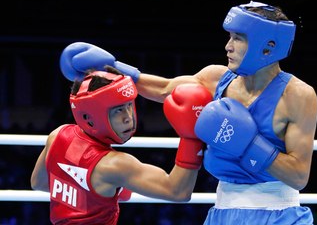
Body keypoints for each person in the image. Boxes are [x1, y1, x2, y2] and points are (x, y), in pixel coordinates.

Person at [59, 0, 317, 224]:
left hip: (279, 215)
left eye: (238, 38)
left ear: (267, 45)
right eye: (230, 37)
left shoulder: (297, 96)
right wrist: (112, 66)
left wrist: (248, 143)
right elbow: (164, 89)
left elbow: (298, 176)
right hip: (224, 212)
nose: (228, 46)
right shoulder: (217, 79)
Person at [31, 65, 213, 224]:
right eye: (118, 110)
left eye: (129, 105)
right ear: (90, 117)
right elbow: (177, 191)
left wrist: (94, 192)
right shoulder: (114, 165)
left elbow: (38, 183)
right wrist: (191, 137)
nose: (129, 117)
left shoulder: (57, 135)